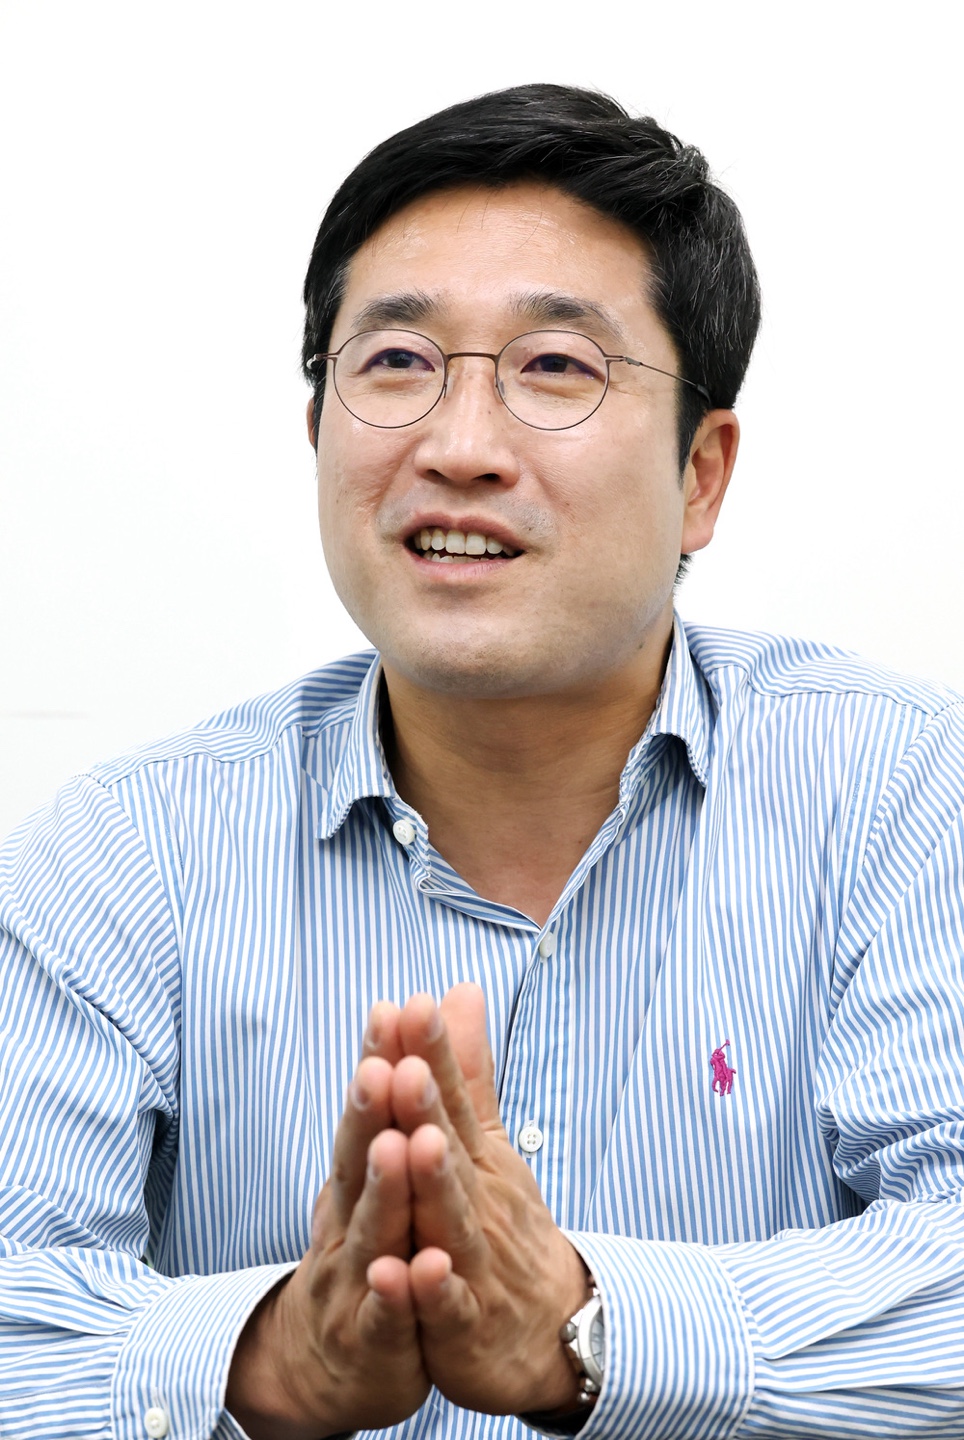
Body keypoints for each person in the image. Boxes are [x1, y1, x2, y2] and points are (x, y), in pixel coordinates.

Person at [2, 82, 964, 1440]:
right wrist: (265, 1363)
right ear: (318, 431)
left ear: (701, 472)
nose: (458, 449)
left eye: (556, 368)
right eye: (397, 362)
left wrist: (591, 1327)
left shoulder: (908, 793)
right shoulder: (118, 854)